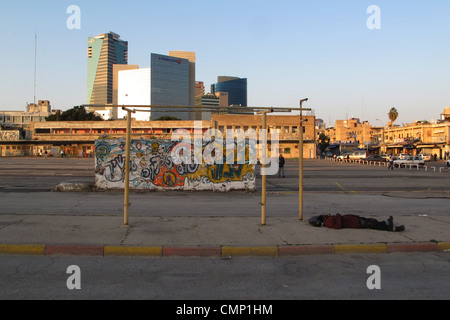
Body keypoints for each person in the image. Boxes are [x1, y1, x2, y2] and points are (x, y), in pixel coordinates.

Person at [308, 214, 405, 232]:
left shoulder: (328, 219)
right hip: (355, 223)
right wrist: (338, 215)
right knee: (373, 225)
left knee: (372, 221)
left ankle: (386, 222)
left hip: (355, 219)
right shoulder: (328, 221)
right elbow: (338, 226)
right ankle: (392, 228)